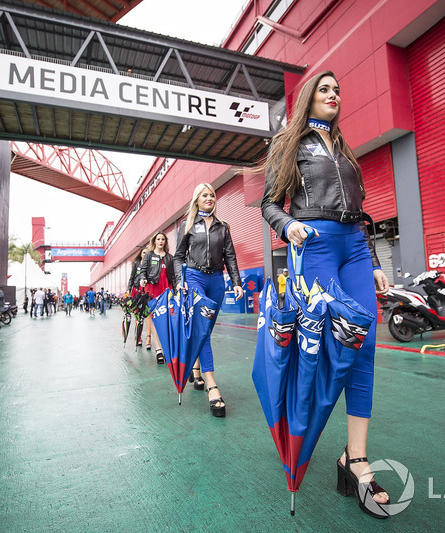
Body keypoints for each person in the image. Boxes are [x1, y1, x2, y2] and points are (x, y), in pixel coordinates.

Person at [260, 71, 391, 515]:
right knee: (314, 353)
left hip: (354, 248)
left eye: (337, 90)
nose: (334, 95)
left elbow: (359, 214)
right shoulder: (288, 144)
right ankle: (298, 439)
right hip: (312, 243)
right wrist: (288, 225)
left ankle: (356, 459)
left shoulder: (345, 151)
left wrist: (373, 263)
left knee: (365, 345)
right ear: (309, 99)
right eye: (325, 89)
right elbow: (268, 203)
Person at [174, 184, 242, 416]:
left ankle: (196, 368)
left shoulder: (223, 227)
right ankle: (212, 385)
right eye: (205, 195)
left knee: (206, 331)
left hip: (217, 281)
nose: (210, 198)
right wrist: (178, 281)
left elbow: (230, 256)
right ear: (196, 200)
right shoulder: (188, 225)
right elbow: (178, 257)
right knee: (202, 327)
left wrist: (236, 282)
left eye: (212, 195)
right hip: (194, 278)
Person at [137, 232, 175, 364]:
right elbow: (143, 270)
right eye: (158, 239)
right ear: (155, 241)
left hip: (167, 290)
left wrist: (176, 290)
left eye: (163, 239)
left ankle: (167, 348)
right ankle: (159, 350)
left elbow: (174, 276)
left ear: (165, 241)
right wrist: (142, 279)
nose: (160, 241)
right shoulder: (149, 255)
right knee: (154, 319)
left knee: (167, 319)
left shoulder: (170, 257)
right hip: (153, 288)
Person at [128, 247, 146, 346]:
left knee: (145, 315)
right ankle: (138, 337)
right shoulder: (136, 264)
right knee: (138, 316)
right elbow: (132, 277)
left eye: (147, 253)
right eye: (143, 252)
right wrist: (129, 288)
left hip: (146, 292)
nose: (145, 254)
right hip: (136, 291)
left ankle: (148, 338)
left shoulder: (150, 265)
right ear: (140, 254)